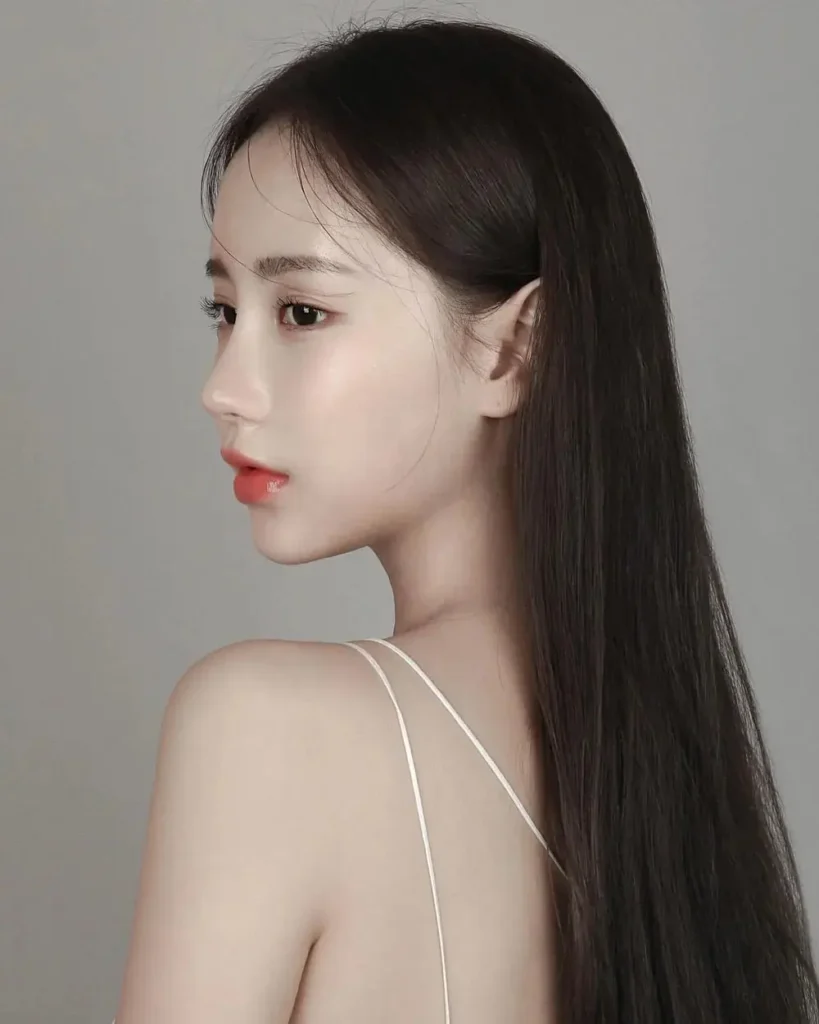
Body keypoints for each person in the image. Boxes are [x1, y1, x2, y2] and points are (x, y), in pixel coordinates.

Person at [112, 14, 819, 1024]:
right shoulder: (671, 797)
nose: (222, 388)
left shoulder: (264, 727)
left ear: (513, 348)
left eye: (302, 312)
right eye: (225, 312)